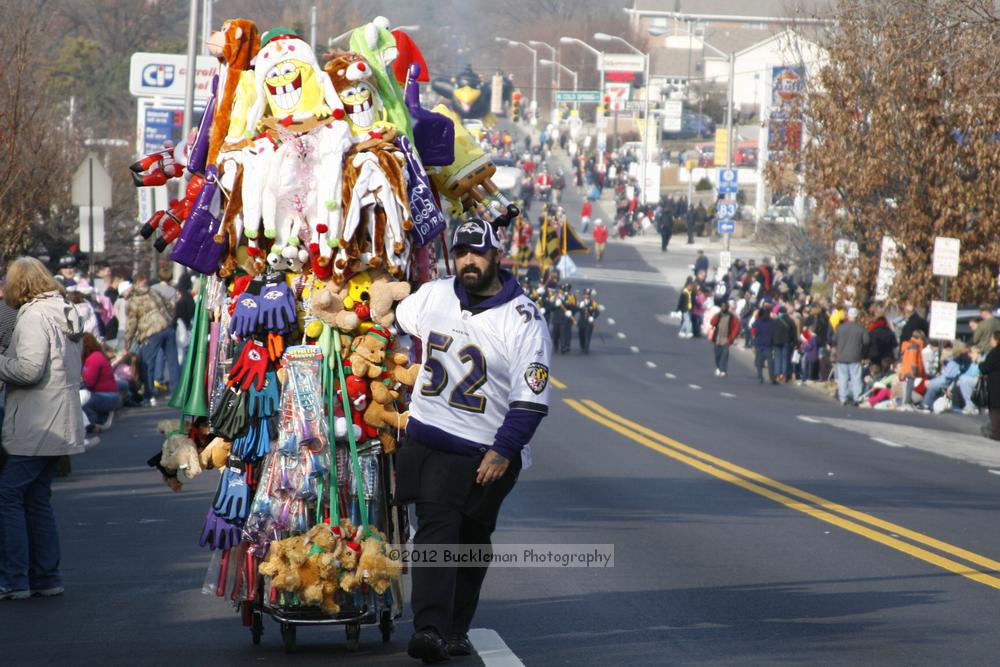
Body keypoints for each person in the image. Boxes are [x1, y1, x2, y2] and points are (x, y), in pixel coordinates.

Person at [394, 216, 552, 662]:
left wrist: (503, 450)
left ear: (496, 257)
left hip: (484, 453)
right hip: (428, 441)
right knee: (435, 533)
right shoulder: (437, 294)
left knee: (472, 540)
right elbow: (398, 315)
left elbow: (532, 397)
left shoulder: (524, 320)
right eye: (461, 251)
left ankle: (456, 627)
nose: (468, 260)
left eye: (477, 253)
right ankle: (429, 629)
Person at [0, 257, 86, 600]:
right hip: (61, 417)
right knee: (37, 499)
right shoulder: (63, 311)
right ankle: (45, 577)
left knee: (9, 496)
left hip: (37, 421)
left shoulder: (34, 316)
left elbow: (29, 369)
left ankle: (15, 578)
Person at [124, 275, 178, 405]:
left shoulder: (133, 300)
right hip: (167, 327)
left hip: (150, 332)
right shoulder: (154, 292)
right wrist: (169, 320)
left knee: (148, 364)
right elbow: (170, 306)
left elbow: (131, 324)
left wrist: (127, 343)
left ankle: (149, 395)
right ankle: (176, 393)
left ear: (135, 285)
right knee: (173, 362)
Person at [80, 333, 122, 430]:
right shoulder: (97, 356)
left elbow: (89, 382)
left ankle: (91, 422)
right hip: (110, 395)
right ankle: (102, 417)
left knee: (79, 402)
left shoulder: (94, 358)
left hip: (107, 396)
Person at [831, 307, 870, 405]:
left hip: (842, 356)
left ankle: (843, 398)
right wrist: (863, 354)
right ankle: (857, 398)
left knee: (843, 378)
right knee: (856, 378)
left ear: (848, 316)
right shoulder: (861, 328)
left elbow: (833, 340)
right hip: (855, 356)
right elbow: (867, 342)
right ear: (857, 317)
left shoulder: (840, 328)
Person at [977, 330, 1000, 439]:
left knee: (995, 409)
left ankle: (996, 432)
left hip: (996, 384)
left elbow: (985, 368)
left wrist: (980, 364)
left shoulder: (995, 352)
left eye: (992, 338)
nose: (990, 341)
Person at [709, 301, 740, 376]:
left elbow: (737, 327)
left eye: (724, 307)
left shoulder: (732, 317)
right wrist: (718, 315)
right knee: (717, 355)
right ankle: (718, 368)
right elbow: (712, 322)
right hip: (717, 338)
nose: (723, 308)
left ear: (727, 308)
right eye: (722, 307)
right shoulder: (718, 315)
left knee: (724, 356)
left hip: (726, 339)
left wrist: (732, 337)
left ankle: (723, 370)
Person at [752, 306, 776, 384]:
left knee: (759, 362)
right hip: (768, 345)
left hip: (759, 344)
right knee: (770, 363)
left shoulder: (757, 322)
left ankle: (760, 377)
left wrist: (754, 343)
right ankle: (772, 378)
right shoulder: (772, 322)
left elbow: (753, 333)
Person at [577, 288, 600, 354]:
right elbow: (575, 309)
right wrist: (578, 307)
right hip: (581, 322)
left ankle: (586, 349)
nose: (587, 296)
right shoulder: (581, 302)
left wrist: (593, 317)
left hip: (589, 323)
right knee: (581, 336)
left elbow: (597, 312)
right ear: (584, 295)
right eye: (585, 294)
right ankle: (582, 346)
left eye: (588, 294)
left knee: (588, 336)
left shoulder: (593, 303)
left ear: (590, 295)